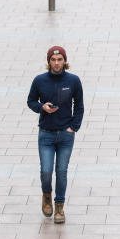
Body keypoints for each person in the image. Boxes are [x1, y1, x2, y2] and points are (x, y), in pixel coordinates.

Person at [27, 46, 84, 225]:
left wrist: (73, 127)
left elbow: (80, 106)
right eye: (53, 60)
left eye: (60, 60)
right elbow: (30, 101)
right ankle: (46, 195)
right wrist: (41, 107)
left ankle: (59, 206)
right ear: (49, 61)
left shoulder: (74, 81)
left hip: (66, 135)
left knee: (61, 171)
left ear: (64, 61)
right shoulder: (39, 80)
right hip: (46, 135)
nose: (57, 63)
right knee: (46, 171)